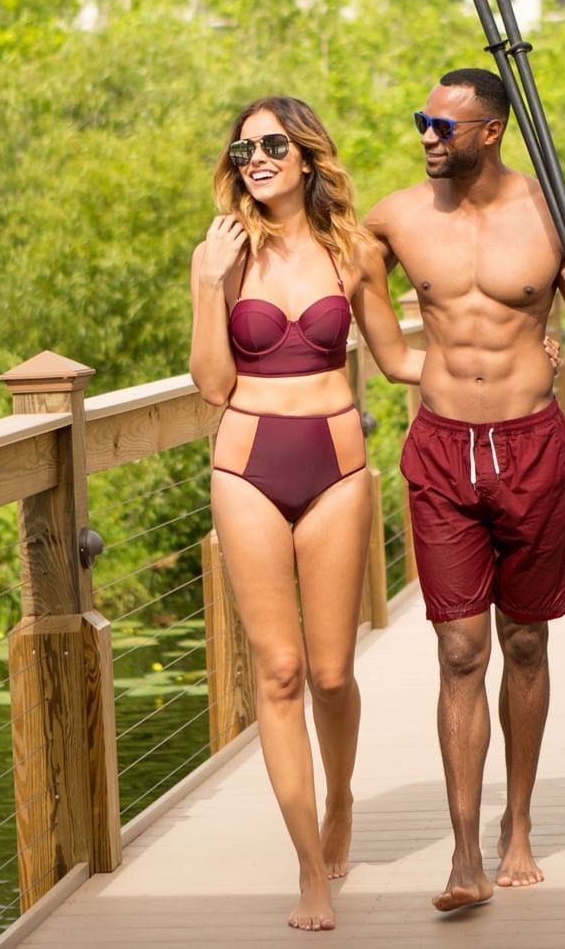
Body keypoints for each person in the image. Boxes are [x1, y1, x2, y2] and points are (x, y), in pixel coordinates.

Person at [363, 67, 565, 914]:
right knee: (457, 651)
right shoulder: (397, 215)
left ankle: (518, 824)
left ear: (491, 131)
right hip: (442, 448)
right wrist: (397, 360)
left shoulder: (556, 213)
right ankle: (465, 853)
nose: (427, 136)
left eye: (443, 125)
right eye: (422, 122)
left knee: (523, 642)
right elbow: (340, 272)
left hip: (530, 447)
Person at [188, 95, 423, 933]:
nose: (255, 156)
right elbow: (212, 383)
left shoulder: (353, 251)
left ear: (308, 156)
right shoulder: (221, 254)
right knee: (279, 672)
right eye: (243, 146)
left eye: (272, 143)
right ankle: (308, 872)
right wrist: (208, 287)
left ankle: (343, 798)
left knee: (331, 671)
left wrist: (498, 356)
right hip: (247, 463)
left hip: (337, 466)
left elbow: (395, 359)